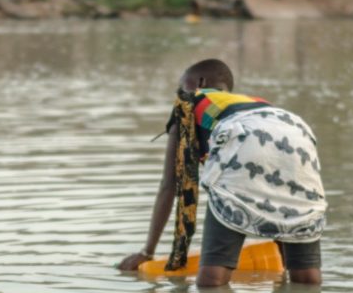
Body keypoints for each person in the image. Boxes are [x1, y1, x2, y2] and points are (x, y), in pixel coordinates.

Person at [119, 59, 326, 287]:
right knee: (306, 277)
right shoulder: (257, 104)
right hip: (299, 136)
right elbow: (273, 161)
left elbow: (169, 184)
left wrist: (147, 252)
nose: (179, 93)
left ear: (199, 82)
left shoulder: (189, 104)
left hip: (242, 144)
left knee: (211, 281)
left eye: (181, 87)